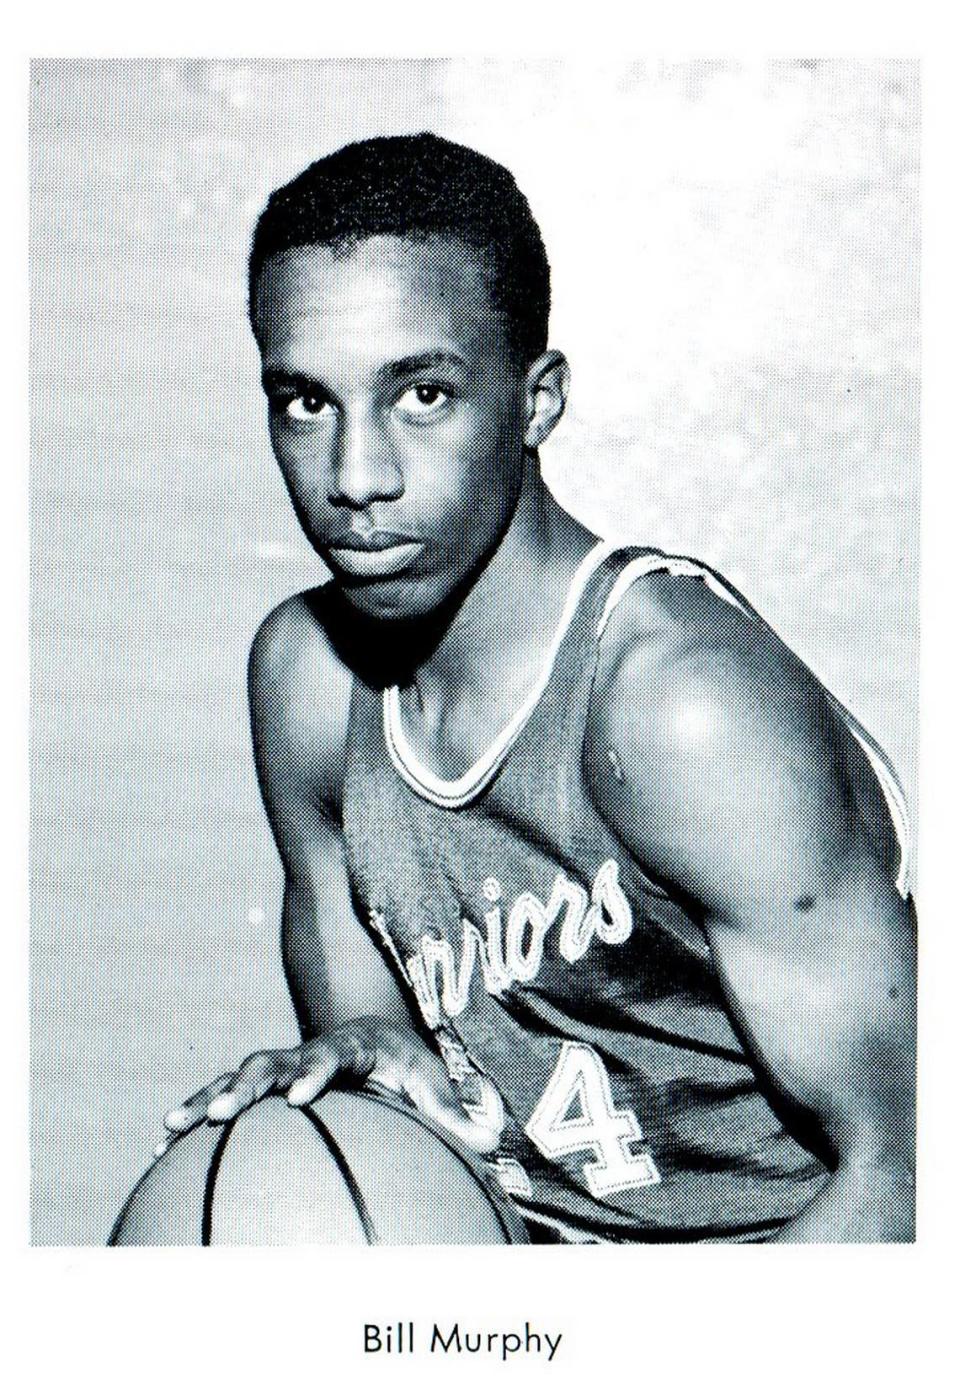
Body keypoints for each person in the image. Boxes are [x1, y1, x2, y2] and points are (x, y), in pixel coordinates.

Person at [157, 132, 915, 1242]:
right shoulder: (308, 685)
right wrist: (372, 1064)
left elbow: (911, 1169)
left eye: (421, 394)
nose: (355, 480)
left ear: (537, 400)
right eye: (306, 403)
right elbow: (410, 1130)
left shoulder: (677, 708)